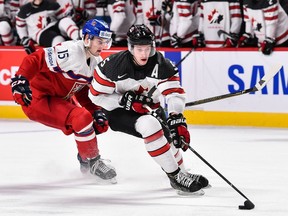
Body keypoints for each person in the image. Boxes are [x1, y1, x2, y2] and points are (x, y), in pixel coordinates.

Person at [88, 24, 210, 195]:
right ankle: (175, 177)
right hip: (117, 111)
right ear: (131, 48)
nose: (144, 54)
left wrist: (176, 116)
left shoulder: (161, 64)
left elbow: (174, 93)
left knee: (170, 137)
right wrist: (124, 101)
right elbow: (95, 97)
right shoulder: (113, 67)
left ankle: (182, 173)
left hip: (149, 107)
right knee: (151, 125)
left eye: (147, 49)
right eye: (139, 49)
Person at [10, 19, 117, 183]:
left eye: (105, 41)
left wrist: (95, 110)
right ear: (87, 39)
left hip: (56, 99)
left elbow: (81, 90)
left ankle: (86, 160)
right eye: (99, 41)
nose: (102, 45)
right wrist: (20, 80)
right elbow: (36, 58)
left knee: (91, 121)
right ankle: (92, 161)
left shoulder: (95, 63)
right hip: (36, 97)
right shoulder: (71, 51)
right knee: (81, 118)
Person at [15, 0, 80, 54]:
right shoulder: (23, 10)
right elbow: (20, 27)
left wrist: (73, 17)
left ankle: (80, 41)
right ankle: (63, 61)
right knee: (58, 39)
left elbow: (62, 17)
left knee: (66, 21)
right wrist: (24, 38)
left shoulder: (52, 4)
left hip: (54, 25)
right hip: (40, 33)